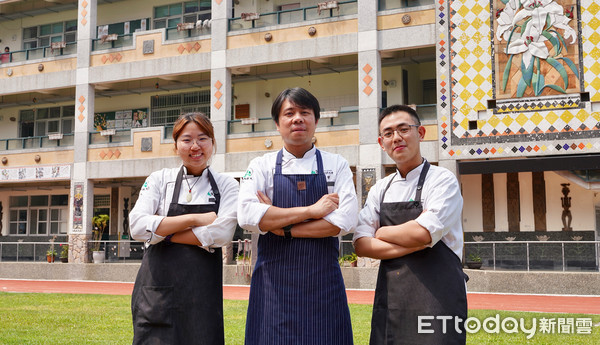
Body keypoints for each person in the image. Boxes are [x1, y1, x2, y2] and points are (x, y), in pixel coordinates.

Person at [238, 87, 357, 345]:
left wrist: (281, 226)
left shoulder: (337, 164)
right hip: (273, 283)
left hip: (322, 283)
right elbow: (247, 215)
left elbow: (345, 220)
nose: (297, 119)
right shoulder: (261, 165)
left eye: (305, 112)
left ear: (316, 120)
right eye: (289, 113)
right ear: (277, 123)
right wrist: (312, 211)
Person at [353, 104, 467, 344]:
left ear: (421, 133)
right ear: (381, 141)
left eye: (404, 129)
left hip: (438, 300)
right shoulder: (380, 189)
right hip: (392, 301)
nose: (396, 138)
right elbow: (362, 245)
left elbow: (422, 232)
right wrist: (416, 243)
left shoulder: (442, 180)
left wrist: (382, 231)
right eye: (388, 133)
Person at [129, 113, 239, 344]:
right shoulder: (159, 179)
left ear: (213, 143)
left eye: (203, 138)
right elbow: (137, 227)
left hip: (202, 297)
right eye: (187, 139)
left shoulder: (227, 185)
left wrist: (164, 233)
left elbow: (221, 234)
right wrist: (197, 219)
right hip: (157, 294)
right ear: (176, 144)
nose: (195, 146)